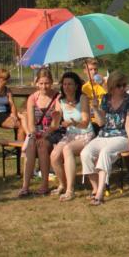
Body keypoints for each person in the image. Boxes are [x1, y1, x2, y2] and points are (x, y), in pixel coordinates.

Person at [82, 72, 129, 205]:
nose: (123, 88)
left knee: (105, 153)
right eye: (119, 85)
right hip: (104, 135)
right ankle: (95, 189)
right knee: (85, 153)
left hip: (121, 137)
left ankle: (100, 194)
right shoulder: (105, 98)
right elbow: (101, 122)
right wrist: (95, 109)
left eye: (124, 85)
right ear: (112, 86)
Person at [49, 71, 94, 200]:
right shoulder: (60, 100)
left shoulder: (83, 98)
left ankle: (70, 190)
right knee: (54, 155)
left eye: (70, 84)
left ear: (76, 86)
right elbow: (55, 126)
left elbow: (85, 123)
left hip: (85, 134)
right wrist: (55, 118)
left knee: (67, 149)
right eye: (64, 84)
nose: (66, 87)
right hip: (70, 135)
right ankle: (62, 184)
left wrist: (74, 123)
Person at [18, 68, 60, 197]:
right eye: (41, 83)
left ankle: (44, 184)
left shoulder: (57, 97)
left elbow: (56, 123)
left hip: (53, 132)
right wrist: (33, 134)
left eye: (46, 83)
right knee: (31, 144)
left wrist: (44, 134)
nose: (44, 86)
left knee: (42, 146)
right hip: (37, 131)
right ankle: (25, 186)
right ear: (36, 83)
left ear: (51, 82)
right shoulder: (32, 98)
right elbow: (31, 123)